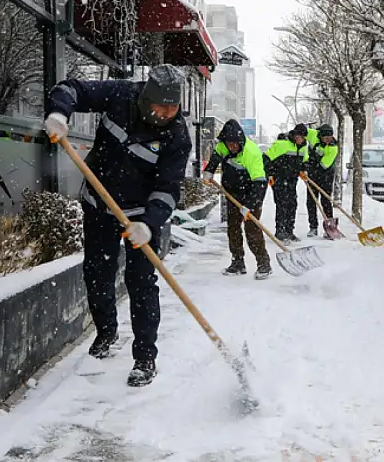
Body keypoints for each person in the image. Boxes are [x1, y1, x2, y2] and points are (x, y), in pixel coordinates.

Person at [43, 64, 191, 387]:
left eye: (174, 107)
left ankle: (145, 357)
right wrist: (59, 114)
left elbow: (168, 188)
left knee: (141, 282)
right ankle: (106, 332)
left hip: (139, 216)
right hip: (99, 204)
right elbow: (72, 89)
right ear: (147, 98)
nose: (168, 113)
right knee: (97, 273)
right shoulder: (122, 95)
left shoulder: (177, 136)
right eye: (162, 106)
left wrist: (150, 225)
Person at [202, 120, 272, 279]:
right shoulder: (223, 146)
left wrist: (249, 205)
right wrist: (209, 170)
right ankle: (238, 262)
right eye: (229, 144)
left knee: (252, 229)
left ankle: (264, 264)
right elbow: (215, 156)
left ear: (241, 141)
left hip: (252, 193)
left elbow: (260, 183)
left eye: (235, 144)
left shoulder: (251, 153)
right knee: (233, 228)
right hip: (232, 193)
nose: (232, 147)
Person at [265, 124, 308, 243]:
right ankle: (280, 231)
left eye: (303, 138)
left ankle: (289, 231)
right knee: (282, 204)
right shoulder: (282, 145)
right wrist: (269, 174)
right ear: (294, 135)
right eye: (299, 137)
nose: (301, 140)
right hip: (278, 178)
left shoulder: (303, 148)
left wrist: (303, 170)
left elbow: (304, 161)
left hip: (292, 180)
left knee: (292, 204)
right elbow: (267, 159)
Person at [301, 124, 338, 238]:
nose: (328, 140)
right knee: (311, 201)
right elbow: (301, 131)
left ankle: (330, 226)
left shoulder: (333, 148)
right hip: (312, 174)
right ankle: (313, 227)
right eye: (326, 138)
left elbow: (323, 165)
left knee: (326, 201)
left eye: (330, 137)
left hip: (326, 174)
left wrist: (310, 164)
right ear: (320, 136)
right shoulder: (313, 134)